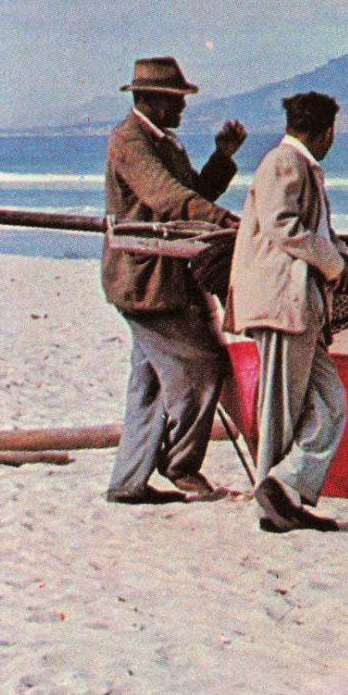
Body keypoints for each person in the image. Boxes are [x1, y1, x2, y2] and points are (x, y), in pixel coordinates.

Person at [102, 56, 247, 504]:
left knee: (147, 385)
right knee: (202, 366)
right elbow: (167, 198)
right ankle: (181, 466)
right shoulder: (130, 141)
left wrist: (221, 160)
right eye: (174, 101)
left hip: (162, 280)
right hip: (145, 284)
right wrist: (227, 219)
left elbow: (191, 196)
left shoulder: (165, 142)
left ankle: (127, 484)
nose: (182, 110)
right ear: (148, 100)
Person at [227, 92, 348, 533]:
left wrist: (335, 253)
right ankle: (275, 504)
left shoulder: (294, 165)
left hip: (296, 306)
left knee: (330, 404)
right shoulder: (285, 163)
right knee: (282, 411)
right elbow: (284, 226)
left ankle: (284, 487)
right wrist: (333, 261)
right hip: (283, 302)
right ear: (327, 132)